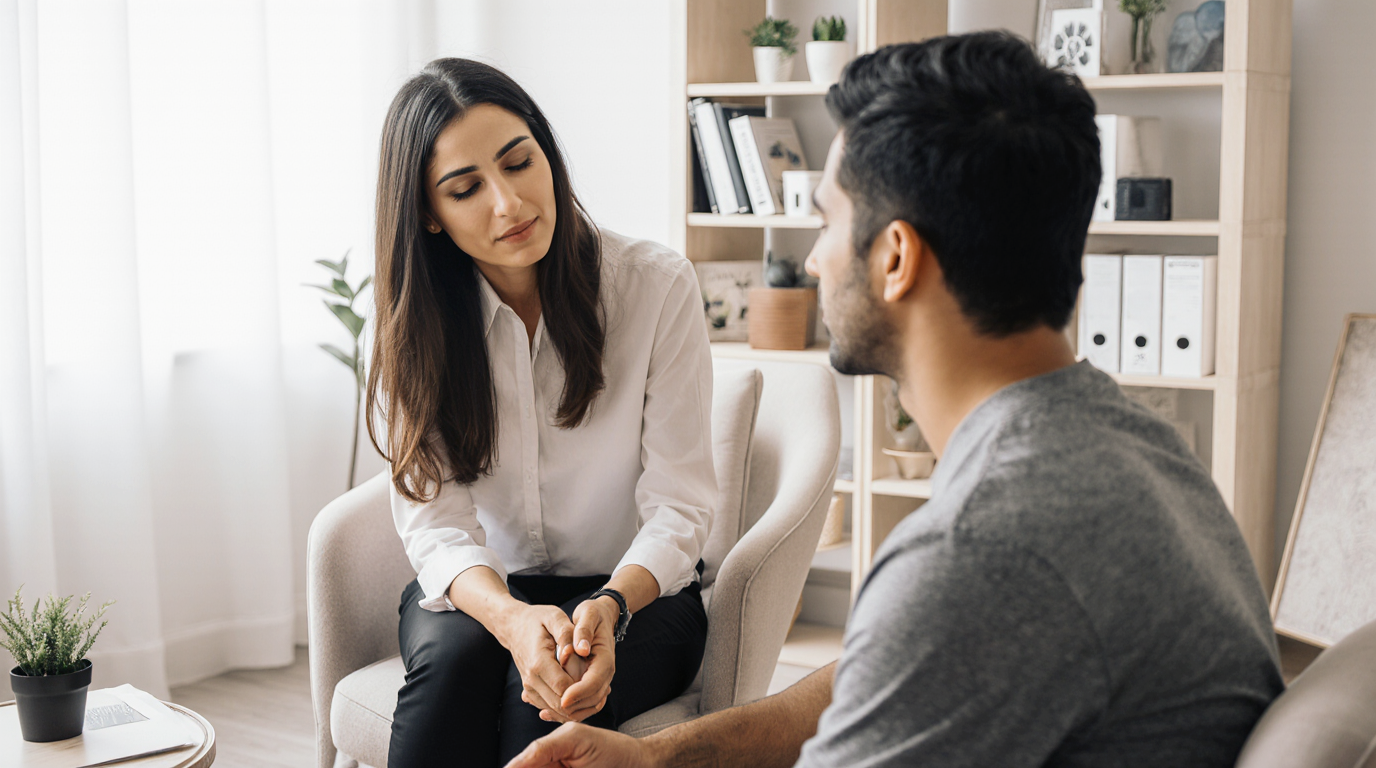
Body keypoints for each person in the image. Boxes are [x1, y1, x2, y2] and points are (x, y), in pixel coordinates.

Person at [505, 31, 1284, 768]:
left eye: (827, 224)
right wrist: (657, 756)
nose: (811, 261)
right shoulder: (1126, 445)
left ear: (897, 257)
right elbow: (874, 673)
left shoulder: (981, 549)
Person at [367, 58, 716, 768]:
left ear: (547, 156)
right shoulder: (415, 328)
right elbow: (436, 525)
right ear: (430, 216)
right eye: (466, 190)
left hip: (636, 593)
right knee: (452, 674)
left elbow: (681, 505)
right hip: (487, 590)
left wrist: (611, 607)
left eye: (520, 163)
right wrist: (512, 619)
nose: (510, 203)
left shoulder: (655, 287)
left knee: (544, 714)